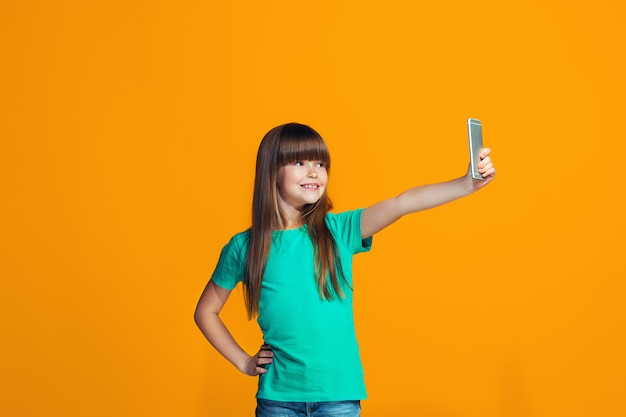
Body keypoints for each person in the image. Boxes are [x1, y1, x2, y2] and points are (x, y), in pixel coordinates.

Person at [194, 122, 496, 417]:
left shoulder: (338, 230)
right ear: (272, 170)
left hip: (338, 398)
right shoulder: (244, 247)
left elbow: (402, 203)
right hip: (278, 400)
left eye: (321, 164)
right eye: (300, 162)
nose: (314, 172)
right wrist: (244, 362)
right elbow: (206, 311)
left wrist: (466, 183)